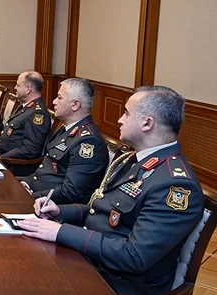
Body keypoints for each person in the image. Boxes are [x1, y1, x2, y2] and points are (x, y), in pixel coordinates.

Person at [19, 86, 203, 295]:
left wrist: (60, 232)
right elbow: (97, 211)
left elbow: (134, 256)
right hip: (92, 262)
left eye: (126, 113)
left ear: (147, 123)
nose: (119, 120)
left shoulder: (175, 185)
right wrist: (60, 212)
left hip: (117, 283)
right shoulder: (132, 159)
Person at [22, 77, 107, 204]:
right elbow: (44, 169)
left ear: (75, 105)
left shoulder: (88, 141)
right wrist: (25, 184)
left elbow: (70, 191)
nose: (54, 101)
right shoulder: (66, 129)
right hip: (37, 196)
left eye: (59, 98)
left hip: (51, 207)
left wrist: (31, 197)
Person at [0, 71, 51, 177]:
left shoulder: (37, 113)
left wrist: (3, 157)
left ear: (27, 89)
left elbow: (31, 149)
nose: (15, 88)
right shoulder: (26, 107)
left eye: (18, 85)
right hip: (4, 157)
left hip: (14, 165)